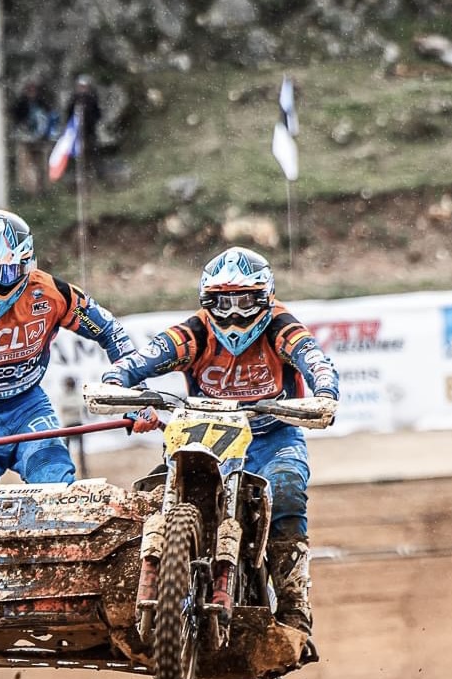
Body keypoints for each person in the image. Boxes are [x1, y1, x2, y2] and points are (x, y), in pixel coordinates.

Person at [100, 246, 341, 636]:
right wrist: (115, 383)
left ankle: (295, 604)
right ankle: (141, 588)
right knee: (151, 494)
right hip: (203, 439)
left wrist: (326, 392)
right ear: (207, 300)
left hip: (270, 436)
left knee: (287, 490)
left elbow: (314, 359)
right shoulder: (194, 332)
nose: (233, 313)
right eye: (222, 301)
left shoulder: (281, 327)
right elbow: (142, 358)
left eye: (244, 300)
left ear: (264, 298)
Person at [0, 210, 135, 492]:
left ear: (27, 265)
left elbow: (110, 330)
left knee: (55, 478)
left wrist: (134, 394)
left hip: (27, 407)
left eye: (7, 273)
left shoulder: (52, 293)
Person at [10, 81, 55, 195]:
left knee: (42, 166)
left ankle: (42, 189)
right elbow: (16, 119)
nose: (31, 92)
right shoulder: (21, 104)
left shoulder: (43, 104)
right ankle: (28, 190)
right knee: (25, 166)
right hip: (25, 140)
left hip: (41, 140)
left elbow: (49, 120)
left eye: (33, 90)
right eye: (29, 90)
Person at [53, 375, 90, 476]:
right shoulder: (65, 395)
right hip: (69, 424)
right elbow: (79, 405)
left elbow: (80, 405)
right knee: (67, 450)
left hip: (75, 423)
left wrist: (70, 407)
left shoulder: (74, 395)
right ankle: (67, 471)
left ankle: (83, 471)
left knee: (80, 451)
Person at [65, 76, 102, 159]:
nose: (82, 89)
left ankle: (91, 167)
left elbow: (97, 114)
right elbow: (69, 113)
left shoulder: (92, 99)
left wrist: (90, 120)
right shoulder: (74, 99)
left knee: (90, 150)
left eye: (84, 87)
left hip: (89, 130)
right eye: (81, 86)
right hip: (76, 130)